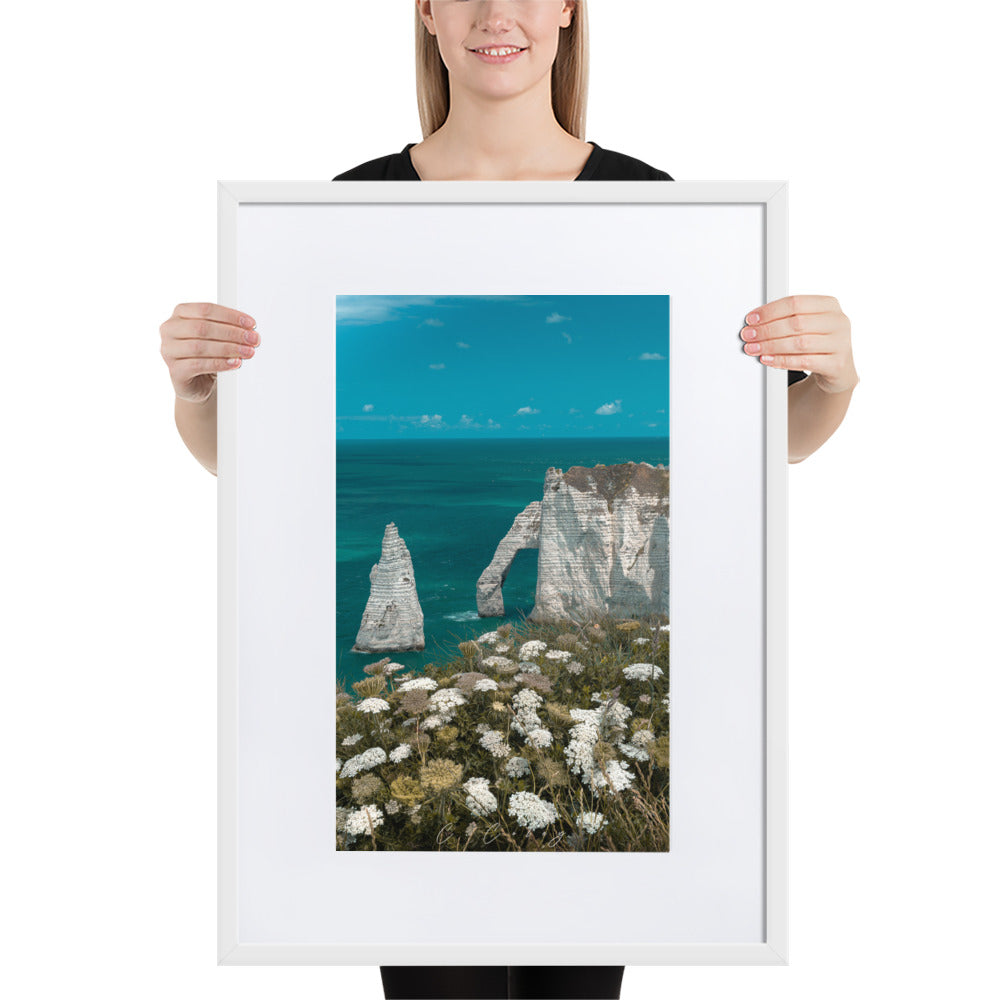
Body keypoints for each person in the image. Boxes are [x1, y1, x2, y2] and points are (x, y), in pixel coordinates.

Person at [159, 3, 859, 997]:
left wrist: (831, 381)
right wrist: (194, 391)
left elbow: (749, 459)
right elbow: (259, 471)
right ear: (427, 12)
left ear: (569, 9)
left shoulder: (656, 207)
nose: (499, 14)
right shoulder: (340, 212)